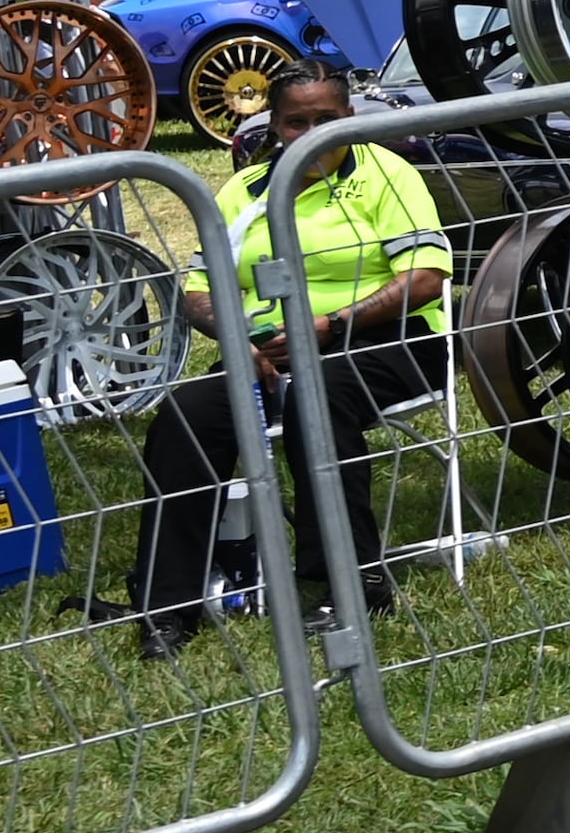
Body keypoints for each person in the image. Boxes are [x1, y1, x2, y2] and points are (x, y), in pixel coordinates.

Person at [100, 64, 445, 659]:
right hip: (267, 351)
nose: (311, 134)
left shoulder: (390, 177)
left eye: (326, 121)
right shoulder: (243, 193)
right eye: (296, 122)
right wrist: (240, 341)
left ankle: (350, 582)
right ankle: (168, 606)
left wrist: (329, 324)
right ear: (275, 126)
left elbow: (425, 280)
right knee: (187, 413)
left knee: (319, 395)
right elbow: (198, 291)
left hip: (388, 339)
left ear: (350, 120)